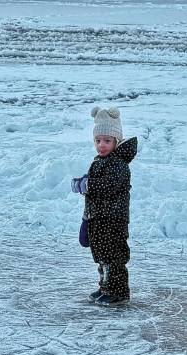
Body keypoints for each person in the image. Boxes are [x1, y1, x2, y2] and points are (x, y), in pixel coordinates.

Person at [71, 106, 137, 306]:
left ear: (116, 141)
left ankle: (118, 292)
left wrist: (88, 184)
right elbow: (97, 183)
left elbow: (109, 185)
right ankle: (105, 287)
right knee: (102, 255)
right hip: (99, 217)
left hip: (113, 219)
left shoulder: (119, 164)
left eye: (107, 141)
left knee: (114, 256)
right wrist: (84, 181)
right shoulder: (100, 161)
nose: (101, 145)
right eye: (98, 140)